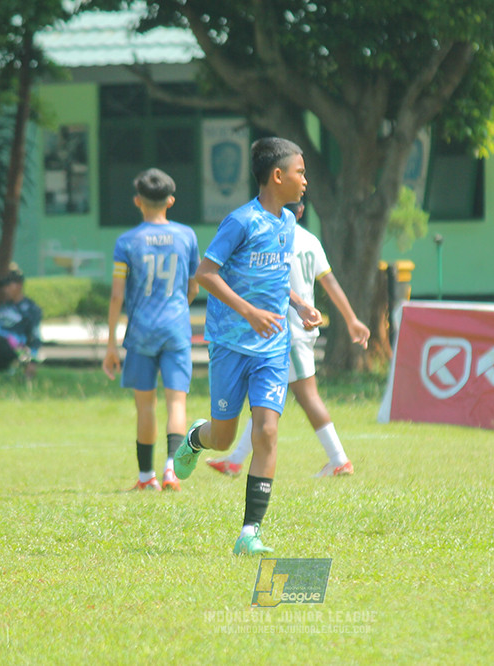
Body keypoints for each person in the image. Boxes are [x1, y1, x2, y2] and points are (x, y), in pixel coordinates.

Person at [172, 137, 323, 556]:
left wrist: (298, 304)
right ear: (278, 176)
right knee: (223, 438)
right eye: (300, 172)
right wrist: (248, 313)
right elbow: (206, 274)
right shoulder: (241, 222)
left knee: (268, 431)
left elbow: (274, 279)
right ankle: (195, 441)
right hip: (229, 345)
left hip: (273, 347)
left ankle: (249, 533)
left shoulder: (290, 223)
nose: (305, 181)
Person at [207, 198, 370, 478]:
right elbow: (329, 281)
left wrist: (350, 320)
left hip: (284, 330)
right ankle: (235, 460)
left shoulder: (272, 236)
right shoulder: (310, 240)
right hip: (286, 328)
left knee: (306, 395)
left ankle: (339, 459)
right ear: (302, 210)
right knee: (264, 401)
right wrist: (350, 318)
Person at [102, 168, 200, 492]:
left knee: (145, 406)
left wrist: (111, 345)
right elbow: (193, 286)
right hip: (176, 329)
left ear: (137, 202)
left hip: (141, 332)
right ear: (170, 201)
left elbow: (117, 294)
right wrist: (178, 308)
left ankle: (147, 478)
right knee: (177, 403)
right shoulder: (186, 236)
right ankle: (172, 470)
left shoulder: (127, 242)